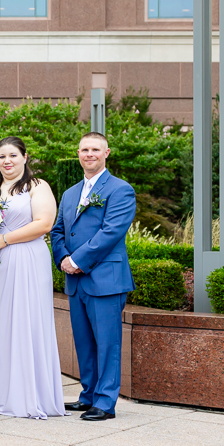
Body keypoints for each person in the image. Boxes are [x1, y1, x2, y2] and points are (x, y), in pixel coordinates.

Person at [0, 136, 66, 419]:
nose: (7, 161)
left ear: (25, 157)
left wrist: (5, 240)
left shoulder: (38, 187)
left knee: (26, 322)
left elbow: (44, 224)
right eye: (1, 157)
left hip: (25, 260)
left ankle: (28, 396)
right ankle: (4, 395)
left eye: (13, 155)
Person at [51, 132, 136, 421]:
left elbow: (111, 232)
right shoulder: (69, 193)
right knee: (84, 342)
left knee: (108, 343)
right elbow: (58, 230)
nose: (89, 154)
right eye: (84, 149)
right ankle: (88, 395)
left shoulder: (120, 189)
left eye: (95, 150)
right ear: (78, 153)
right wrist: (63, 258)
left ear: (106, 153)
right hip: (75, 281)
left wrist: (78, 260)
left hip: (106, 280)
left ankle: (105, 402)